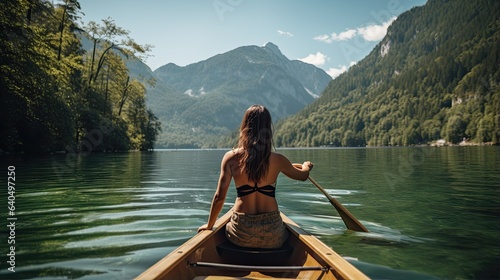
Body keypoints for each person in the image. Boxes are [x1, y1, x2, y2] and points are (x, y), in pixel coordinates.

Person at [198, 105, 313, 249]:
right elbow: (302, 176)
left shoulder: (231, 158)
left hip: (240, 234)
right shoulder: (278, 160)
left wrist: (209, 226)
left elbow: (219, 197)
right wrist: (306, 166)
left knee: (226, 228)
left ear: (245, 127)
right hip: (273, 235)